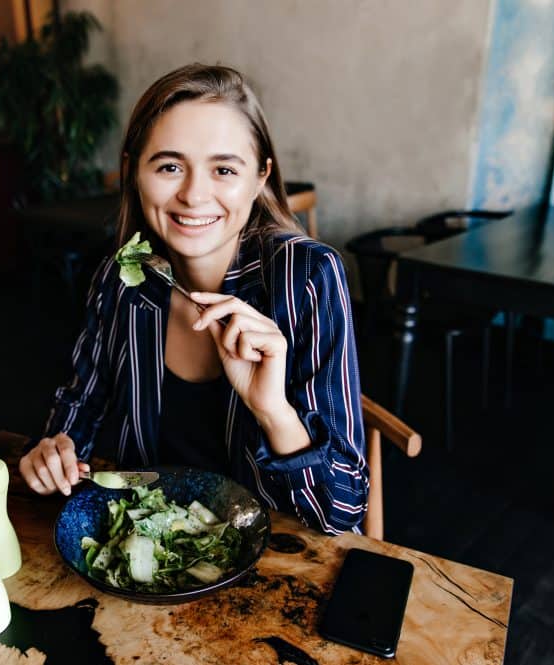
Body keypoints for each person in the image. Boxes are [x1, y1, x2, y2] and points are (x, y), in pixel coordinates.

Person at [19, 64, 367, 534]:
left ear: (260, 176)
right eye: (168, 166)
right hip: (148, 544)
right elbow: (81, 403)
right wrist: (55, 450)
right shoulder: (122, 278)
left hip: (274, 556)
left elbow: (343, 511)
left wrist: (272, 410)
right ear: (133, 172)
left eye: (224, 169)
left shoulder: (306, 277)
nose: (194, 194)